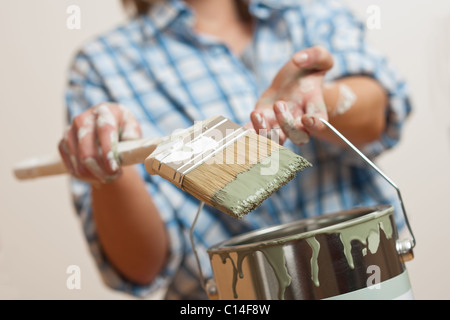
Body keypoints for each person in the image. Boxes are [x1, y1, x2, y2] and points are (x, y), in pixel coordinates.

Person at [60, 0, 411, 299]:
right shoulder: (101, 65)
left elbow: (378, 113)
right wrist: (104, 163)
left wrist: (319, 101)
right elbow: (140, 268)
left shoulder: (306, 9)